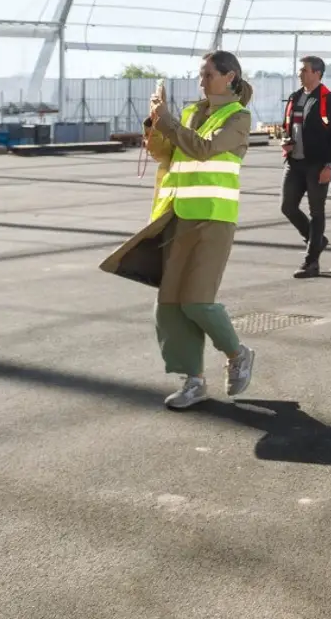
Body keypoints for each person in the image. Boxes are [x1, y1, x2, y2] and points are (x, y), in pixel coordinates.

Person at [103, 51, 257, 410]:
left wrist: (168, 121)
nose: (201, 80)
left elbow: (203, 149)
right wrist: (153, 123)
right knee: (169, 304)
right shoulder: (190, 112)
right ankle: (193, 381)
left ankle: (238, 354)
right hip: (178, 216)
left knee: (197, 301)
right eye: (201, 74)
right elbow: (166, 154)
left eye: (208, 74)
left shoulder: (238, 117)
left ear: (229, 76)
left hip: (215, 219)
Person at [282, 55, 331, 278]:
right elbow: (289, 127)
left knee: (316, 212)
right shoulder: (295, 97)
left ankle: (311, 262)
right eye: (300, 70)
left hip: (317, 164)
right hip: (294, 162)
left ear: (317, 73)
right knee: (287, 207)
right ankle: (317, 240)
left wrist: (330, 165)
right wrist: (286, 141)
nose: (300, 74)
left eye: (304, 70)